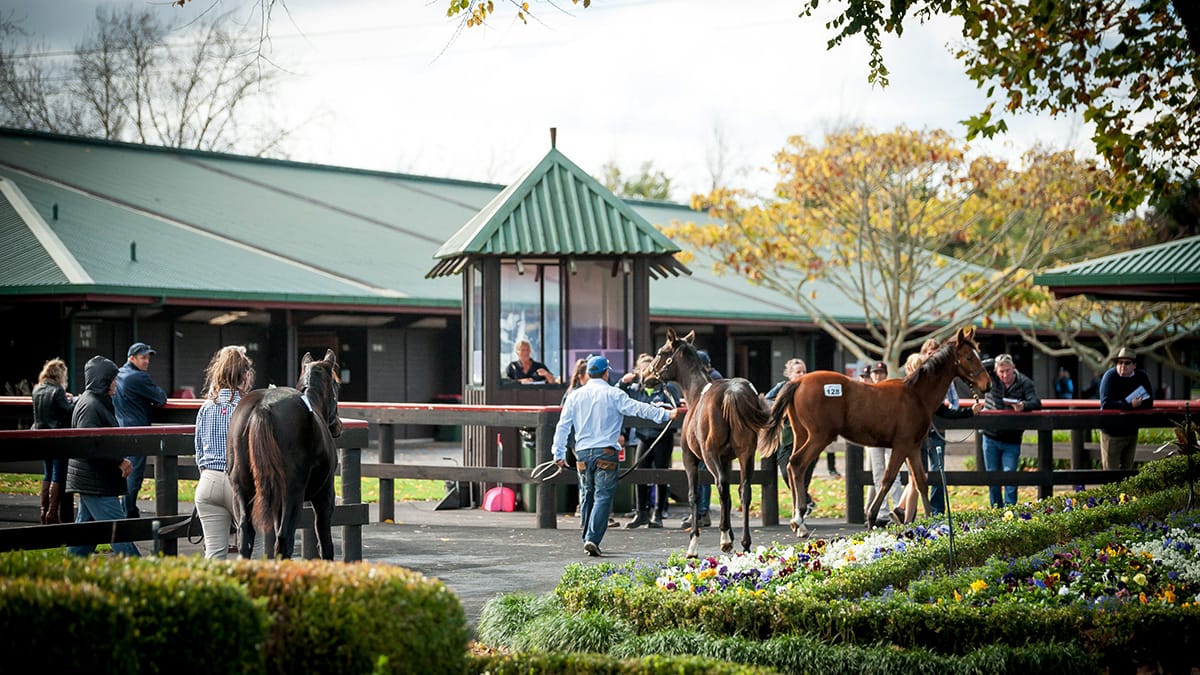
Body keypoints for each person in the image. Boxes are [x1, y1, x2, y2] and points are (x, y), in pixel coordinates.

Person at [552, 355, 680, 557]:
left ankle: (587, 536)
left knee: (587, 494)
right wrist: (666, 415)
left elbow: (563, 426)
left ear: (587, 373)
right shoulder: (614, 394)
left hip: (583, 453)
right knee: (603, 495)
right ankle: (592, 539)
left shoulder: (574, 396)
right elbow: (638, 409)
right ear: (606, 372)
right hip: (606, 452)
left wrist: (558, 453)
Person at [65, 355, 140, 557]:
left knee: (85, 536)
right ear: (102, 380)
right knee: (118, 532)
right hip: (96, 482)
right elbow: (89, 445)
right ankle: (144, 574)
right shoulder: (90, 405)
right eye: (113, 379)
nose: (116, 383)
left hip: (94, 480)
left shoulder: (96, 401)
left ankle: (66, 573)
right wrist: (119, 461)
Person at [193, 346, 261, 559]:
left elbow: (198, 452)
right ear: (246, 376)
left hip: (208, 483)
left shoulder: (206, 407)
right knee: (254, 550)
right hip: (238, 484)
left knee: (214, 553)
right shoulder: (248, 409)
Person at [618, 354, 682, 528]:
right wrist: (623, 382)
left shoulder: (667, 388)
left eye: (650, 368)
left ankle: (658, 513)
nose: (647, 373)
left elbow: (675, 408)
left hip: (662, 437)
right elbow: (616, 397)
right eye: (644, 369)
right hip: (642, 437)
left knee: (661, 474)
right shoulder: (634, 389)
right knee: (640, 473)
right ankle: (641, 513)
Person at [981, 353, 1041, 508]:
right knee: (992, 477)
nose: (1004, 375)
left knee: (1010, 476)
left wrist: (1023, 406)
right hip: (990, 435)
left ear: (1014, 368)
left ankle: (1010, 511)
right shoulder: (992, 376)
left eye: (1007, 370)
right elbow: (978, 365)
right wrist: (993, 363)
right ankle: (996, 510)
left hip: (1012, 438)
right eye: (1001, 371)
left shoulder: (1024, 382)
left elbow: (1036, 402)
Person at [114, 342, 167, 518]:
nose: (146, 361)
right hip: (137, 432)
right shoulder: (138, 378)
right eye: (143, 358)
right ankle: (128, 513)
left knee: (125, 472)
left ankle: (126, 510)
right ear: (132, 358)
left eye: (148, 358)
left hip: (120, 429)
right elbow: (160, 397)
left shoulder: (119, 374)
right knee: (134, 475)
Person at [764, 358, 818, 515]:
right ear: (789, 374)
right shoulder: (783, 387)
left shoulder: (812, 388)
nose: (802, 374)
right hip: (787, 437)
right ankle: (806, 501)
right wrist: (781, 410)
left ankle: (801, 509)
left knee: (805, 476)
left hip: (809, 439)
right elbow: (766, 399)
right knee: (788, 473)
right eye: (798, 372)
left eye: (804, 371)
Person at [31, 357, 75, 524]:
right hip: (57, 438)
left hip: (41, 437)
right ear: (59, 375)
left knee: (47, 474)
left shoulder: (37, 389)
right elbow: (67, 410)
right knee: (58, 475)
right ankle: (53, 511)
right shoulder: (57, 391)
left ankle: (43, 511)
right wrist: (73, 400)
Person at [684, 350, 723, 529]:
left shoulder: (709, 380)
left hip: (706, 431)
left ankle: (702, 510)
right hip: (707, 429)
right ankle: (701, 510)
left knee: (705, 471)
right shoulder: (715, 377)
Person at [1098, 347, 1154, 470]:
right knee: (1110, 473)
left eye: (1127, 363)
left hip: (1131, 430)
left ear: (1134, 365)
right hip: (1112, 432)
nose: (1123, 366)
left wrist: (1137, 404)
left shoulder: (1141, 376)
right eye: (1119, 362)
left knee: (1127, 472)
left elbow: (1149, 401)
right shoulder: (1110, 376)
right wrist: (1129, 405)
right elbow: (1106, 403)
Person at [863, 362, 901, 524]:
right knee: (878, 474)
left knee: (894, 474)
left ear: (886, 374)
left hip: (889, 437)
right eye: (875, 373)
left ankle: (899, 508)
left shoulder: (891, 390)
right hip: (873, 438)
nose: (877, 376)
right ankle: (882, 511)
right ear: (871, 375)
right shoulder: (866, 392)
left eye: (880, 372)